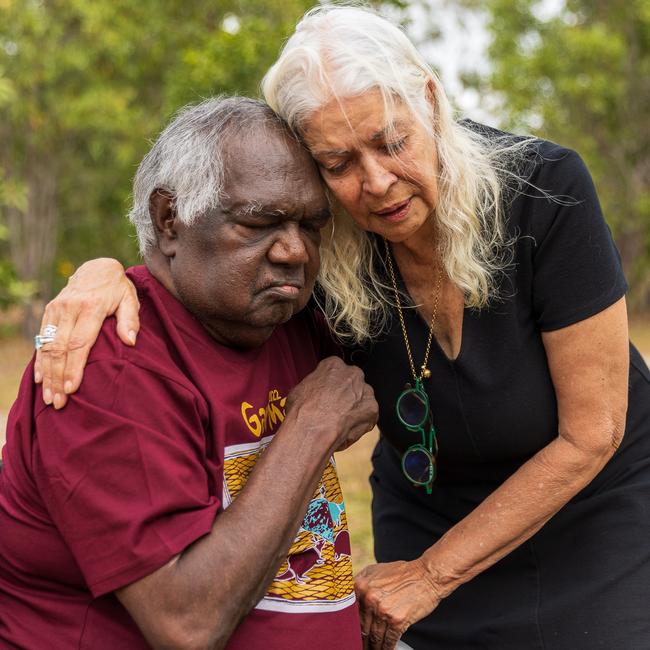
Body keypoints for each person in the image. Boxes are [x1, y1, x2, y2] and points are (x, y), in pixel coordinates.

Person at [29, 5, 650, 649]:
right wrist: (101, 274)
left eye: (392, 142)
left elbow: (594, 433)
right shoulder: (324, 252)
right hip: (430, 512)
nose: (376, 184)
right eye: (337, 163)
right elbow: (204, 261)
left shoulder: (545, 191)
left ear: (430, 102)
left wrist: (433, 576)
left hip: (589, 505)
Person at [0, 96, 380, 649]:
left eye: (311, 225)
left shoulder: (289, 321)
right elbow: (186, 623)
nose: (295, 251)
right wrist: (313, 425)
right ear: (169, 220)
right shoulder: (111, 366)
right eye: (259, 222)